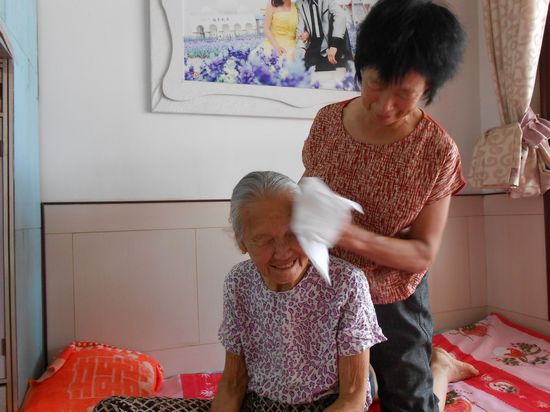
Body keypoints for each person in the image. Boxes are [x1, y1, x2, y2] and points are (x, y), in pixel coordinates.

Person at [91, 171, 478, 412]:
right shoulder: (239, 283)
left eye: (293, 234)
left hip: (335, 402)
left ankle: (439, 367)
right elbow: (233, 383)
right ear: (241, 242)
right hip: (259, 404)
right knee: (112, 408)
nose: (282, 253)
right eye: (263, 240)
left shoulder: (346, 283)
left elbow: (352, 396)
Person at [301, 0, 469, 410]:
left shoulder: (437, 152)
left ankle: (440, 368)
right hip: (327, 288)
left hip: (394, 295)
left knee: (411, 404)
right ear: (361, 67)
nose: (384, 106)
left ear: (428, 88)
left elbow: (422, 253)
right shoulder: (327, 124)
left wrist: (347, 234)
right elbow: (307, 190)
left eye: (405, 94)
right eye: (375, 83)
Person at [295, 0, 353, 71]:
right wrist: (301, 48)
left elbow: (340, 16)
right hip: (312, 47)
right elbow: (300, 27)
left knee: (327, 69)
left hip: (329, 46)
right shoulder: (300, 3)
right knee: (302, 69)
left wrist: (334, 45)